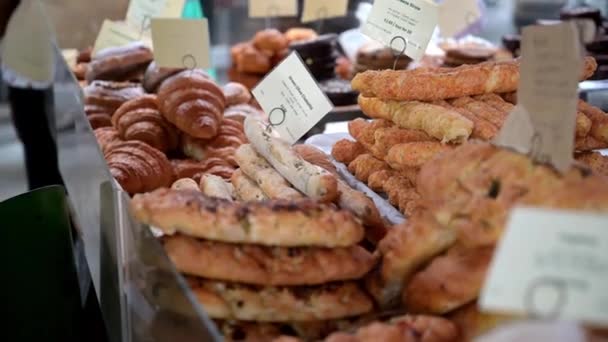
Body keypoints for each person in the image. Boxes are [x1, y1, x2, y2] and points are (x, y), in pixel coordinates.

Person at [0, 0, 64, 190]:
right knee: (38, 140)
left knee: (38, 142)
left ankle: (50, 205)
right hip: (32, 48)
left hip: (32, 47)